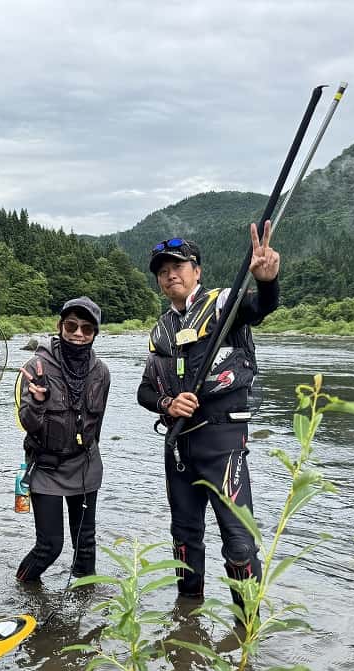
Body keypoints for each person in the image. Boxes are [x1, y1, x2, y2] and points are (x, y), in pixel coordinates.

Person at [136, 222, 281, 604]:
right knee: (184, 539)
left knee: (237, 541)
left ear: (197, 271)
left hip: (223, 443)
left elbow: (260, 307)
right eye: (162, 271)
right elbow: (145, 391)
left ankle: (247, 631)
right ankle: (186, 625)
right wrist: (167, 404)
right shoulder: (161, 330)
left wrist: (267, 282)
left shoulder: (223, 303)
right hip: (180, 447)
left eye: (178, 267)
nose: (170, 275)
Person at [15, 297, 110, 582]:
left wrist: (91, 456)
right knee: (49, 546)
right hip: (46, 467)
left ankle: (85, 610)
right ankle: (23, 590)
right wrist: (39, 400)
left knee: (86, 547)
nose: (78, 333)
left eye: (87, 328)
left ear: (94, 333)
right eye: (72, 325)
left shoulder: (102, 373)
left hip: (85, 465)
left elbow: (98, 425)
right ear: (60, 327)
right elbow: (27, 423)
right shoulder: (35, 367)